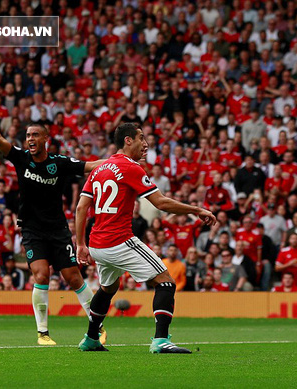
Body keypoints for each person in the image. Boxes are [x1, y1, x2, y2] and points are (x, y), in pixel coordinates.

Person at [0, 94, 106, 346]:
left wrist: (120, 162)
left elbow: (90, 166)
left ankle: (96, 326)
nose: (30, 138)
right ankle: (43, 333)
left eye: (35, 135)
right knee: (41, 275)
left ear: (45, 139)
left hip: (58, 229)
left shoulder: (59, 162)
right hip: (32, 229)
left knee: (73, 277)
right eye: (28, 135)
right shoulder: (21, 158)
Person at [75, 123, 216, 353]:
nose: (146, 144)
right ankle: (161, 340)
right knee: (166, 282)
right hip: (118, 240)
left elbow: (81, 207)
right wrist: (196, 210)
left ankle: (91, 338)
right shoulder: (131, 167)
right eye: (141, 138)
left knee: (108, 288)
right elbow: (160, 202)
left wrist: (81, 244)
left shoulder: (100, 168)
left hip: (97, 243)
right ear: (128, 140)